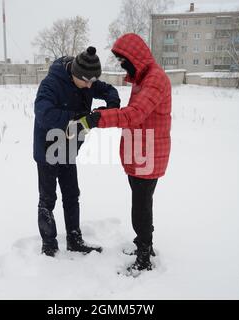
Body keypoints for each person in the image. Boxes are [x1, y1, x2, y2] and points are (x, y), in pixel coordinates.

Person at [78, 34, 172, 274]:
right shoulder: (144, 79)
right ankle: (145, 246)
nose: (121, 65)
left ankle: (144, 259)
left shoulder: (155, 80)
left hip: (148, 154)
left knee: (140, 208)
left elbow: (135, 114)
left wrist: (98, 118)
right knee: (142, 204)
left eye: (122, 60)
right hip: (142, 151)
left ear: (135, 57)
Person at [33, 46, 121, 257]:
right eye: (87, 81)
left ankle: (74, 239)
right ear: (74, 74)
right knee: (48, 199)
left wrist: (110, 106)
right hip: (48, 147)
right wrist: (79, 119)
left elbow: (109, 91)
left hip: (69, 147)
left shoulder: (87, 79)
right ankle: (49, 244)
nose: (90, 86)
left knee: (72, 195)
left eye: (93, 81)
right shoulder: (51, 84)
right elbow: (43, 113)